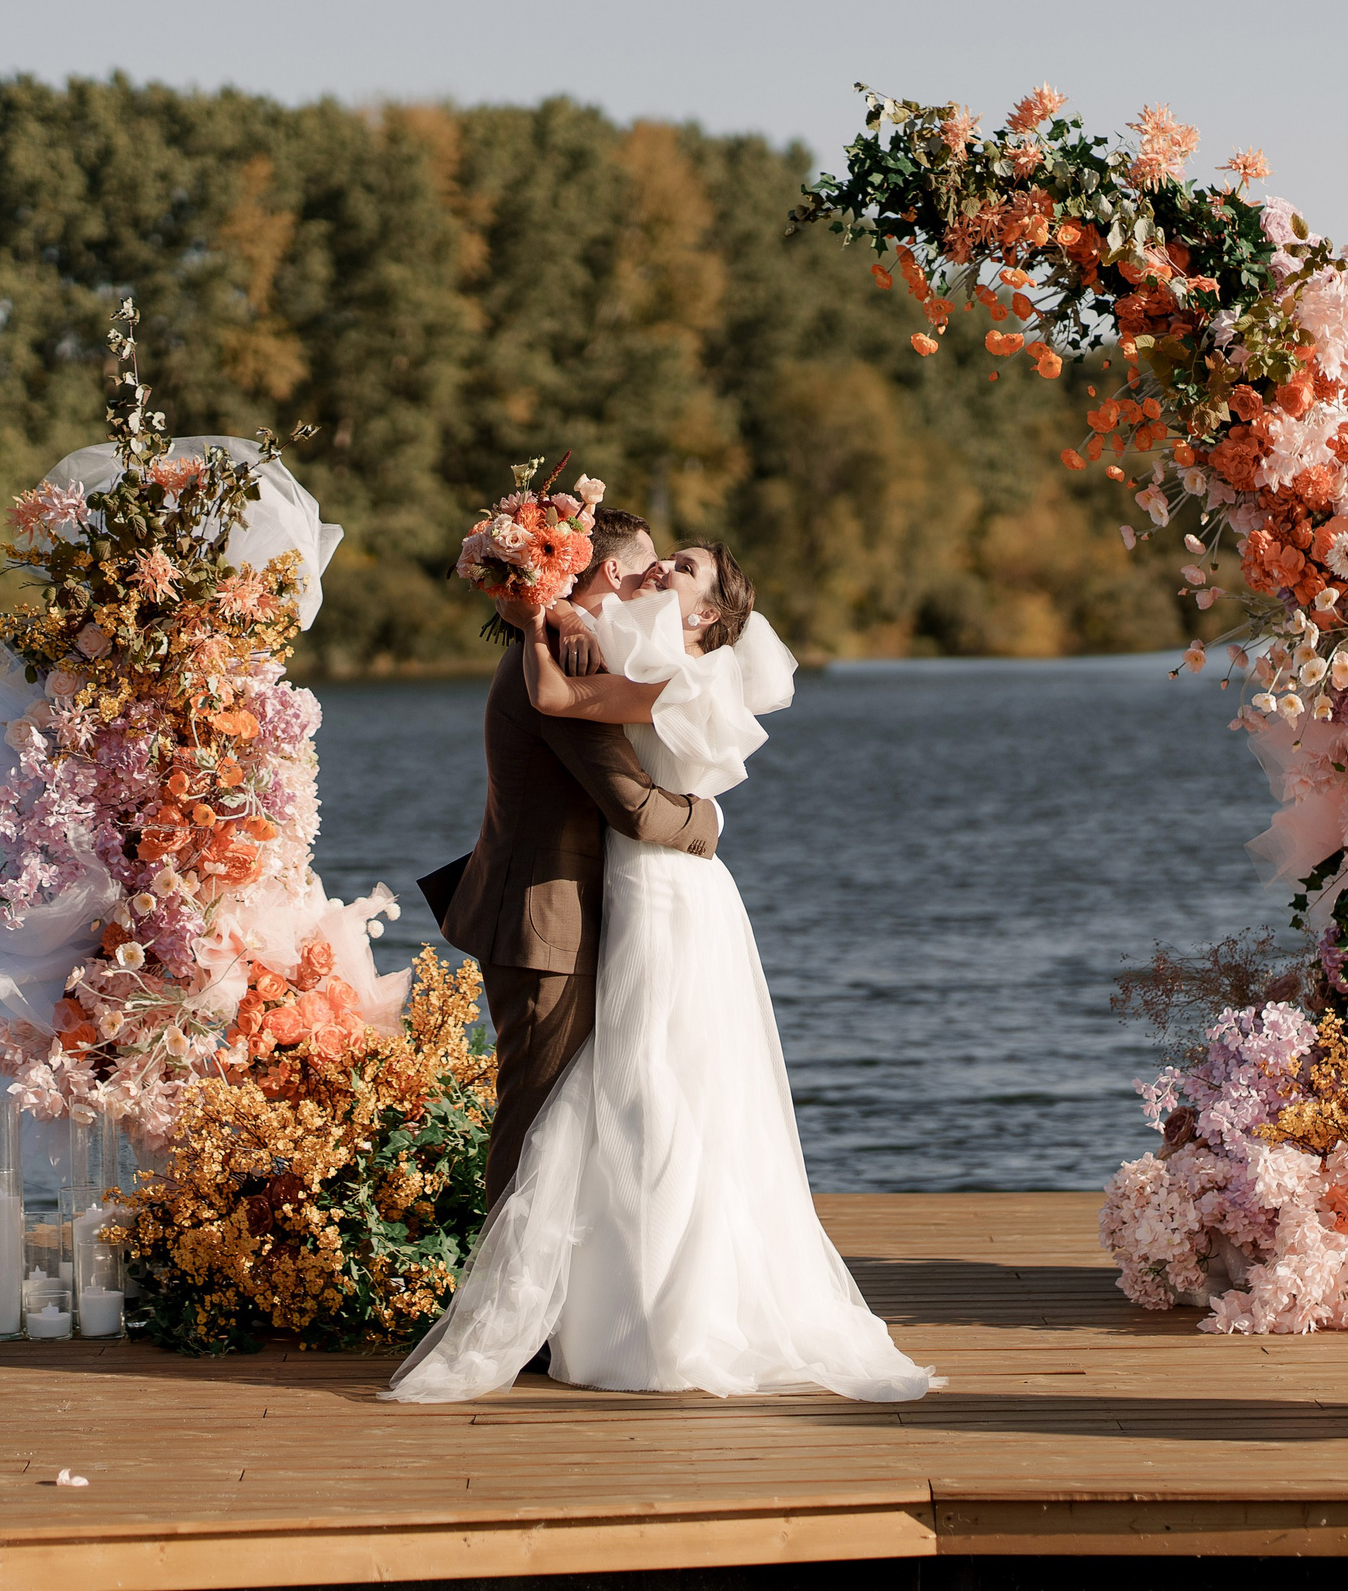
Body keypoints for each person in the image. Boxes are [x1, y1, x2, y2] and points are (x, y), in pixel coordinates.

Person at [390, 539, 938, 1403]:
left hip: (660, 890)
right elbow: (574, 721)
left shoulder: (672, 669)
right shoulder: (606, 646)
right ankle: (545, 1310)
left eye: (676, 568)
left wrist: (705, 822)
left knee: (649, 1092)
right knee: (595, 1100)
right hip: (597, 897)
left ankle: (610, 1309)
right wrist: (536, 614)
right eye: (647, 559)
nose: (655, 572)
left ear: (709, 615)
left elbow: (636, 802)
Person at [423, 509, 720, 1214]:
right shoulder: (561, 659)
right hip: (538, 921)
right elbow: (632, 806)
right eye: (647, 570)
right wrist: (708, 817)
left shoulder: (570, 641)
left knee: (563, 1118)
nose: (654, 583)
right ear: (609, 573)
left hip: (551, 915)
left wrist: (558, 614)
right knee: (534, 1121)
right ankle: (509, 1316)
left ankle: (558, 1302)